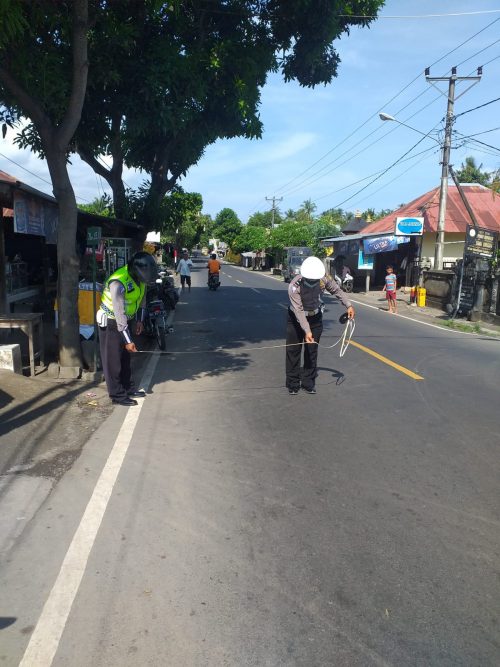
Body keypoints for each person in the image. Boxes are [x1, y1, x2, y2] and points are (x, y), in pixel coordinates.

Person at [286, 256, 355, 395]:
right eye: (310, 280)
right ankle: (293, 383)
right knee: (293, 351)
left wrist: (348, 305)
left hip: (315, 318)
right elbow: (299, 311)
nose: (313, 282)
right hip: (296, 318)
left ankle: (308, 383)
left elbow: (337, 290)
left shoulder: (324, 278)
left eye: (315, 279)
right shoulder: (294, 286)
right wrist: (307, 331)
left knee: (311, 351)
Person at [97, 252, 157, 406]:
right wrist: (128, 340)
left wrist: (139, 320)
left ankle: (128, 388)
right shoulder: (118, 282)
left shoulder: (141, 278)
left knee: (125, 358)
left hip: (126, 320)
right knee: (113, 361)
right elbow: (119, 314)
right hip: (111, 322)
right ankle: (117, 395)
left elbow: (142, 300)